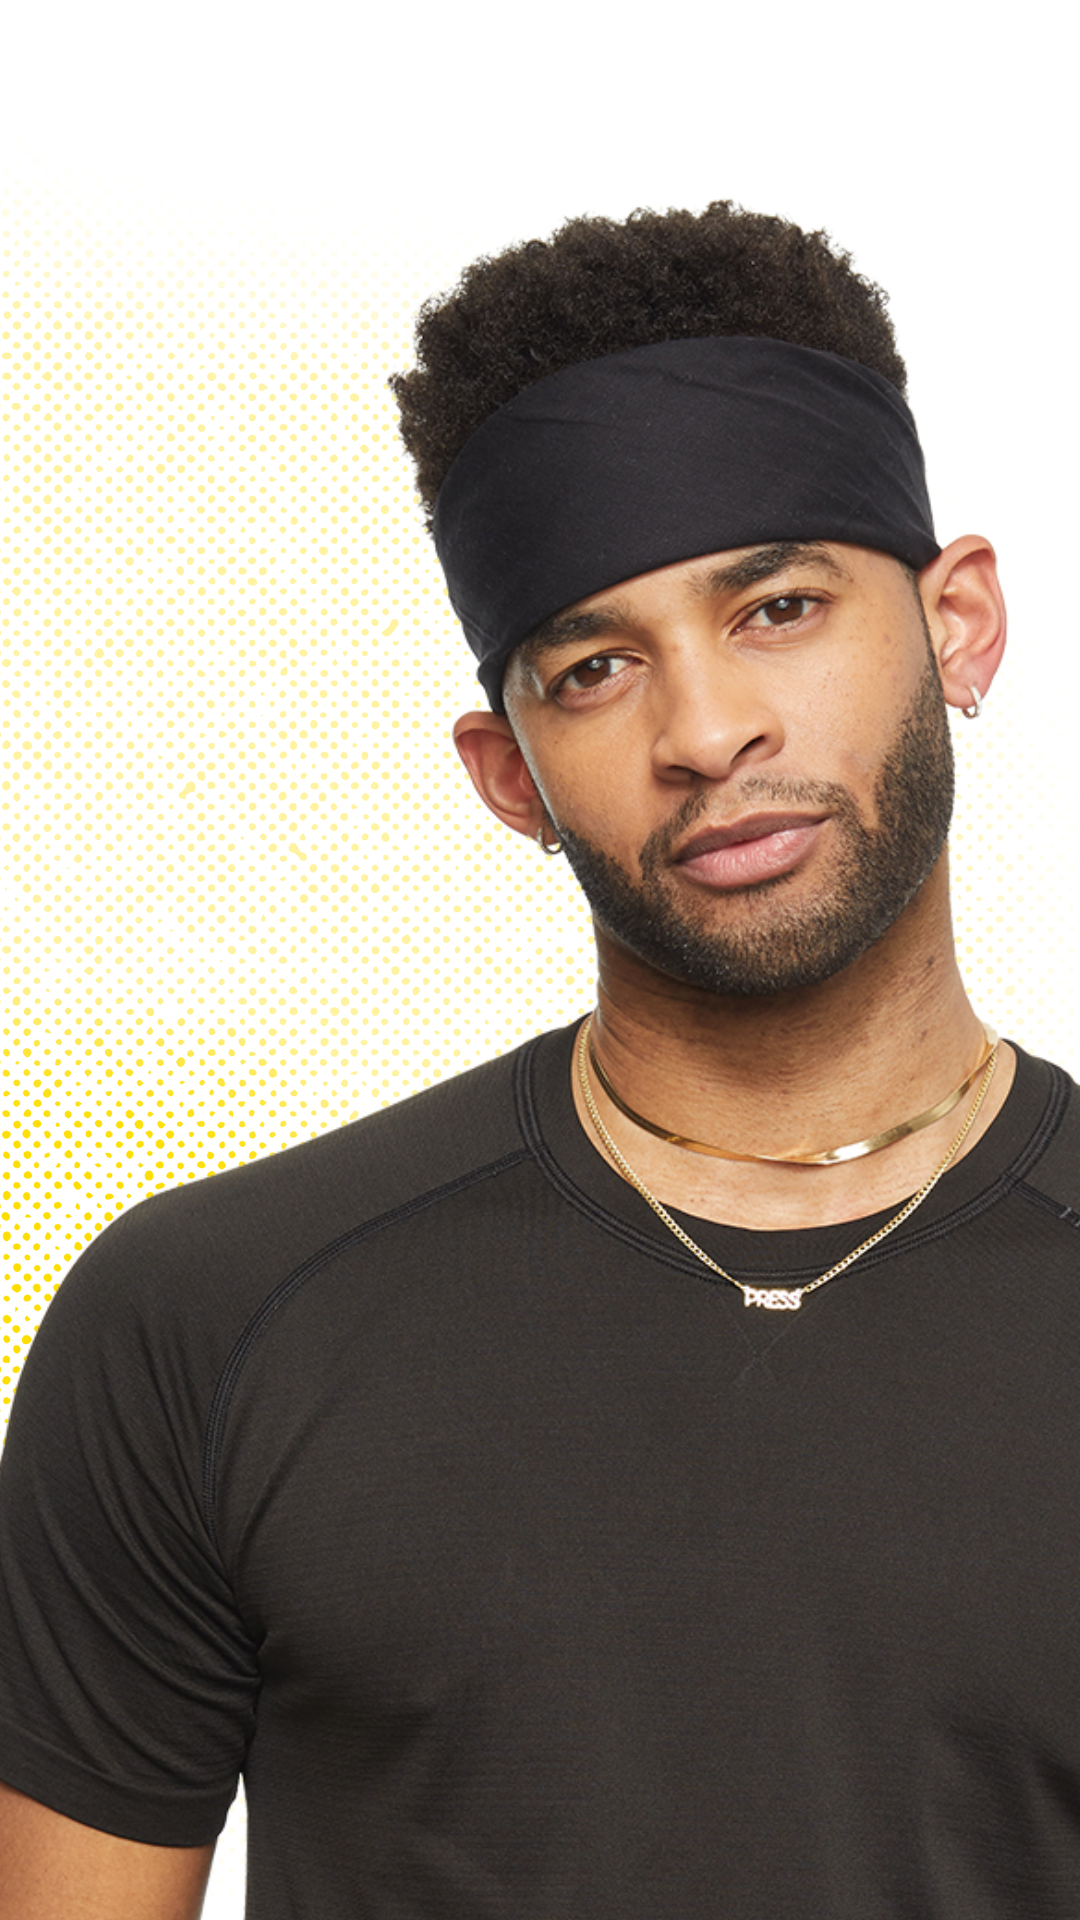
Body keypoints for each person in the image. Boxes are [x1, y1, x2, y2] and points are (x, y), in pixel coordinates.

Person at [0, 200, 1077, 1920]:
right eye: (596, 667)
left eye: (781, 607)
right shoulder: (203, 1321)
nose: (707, 730)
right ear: (509, 774)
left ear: (959, 625)